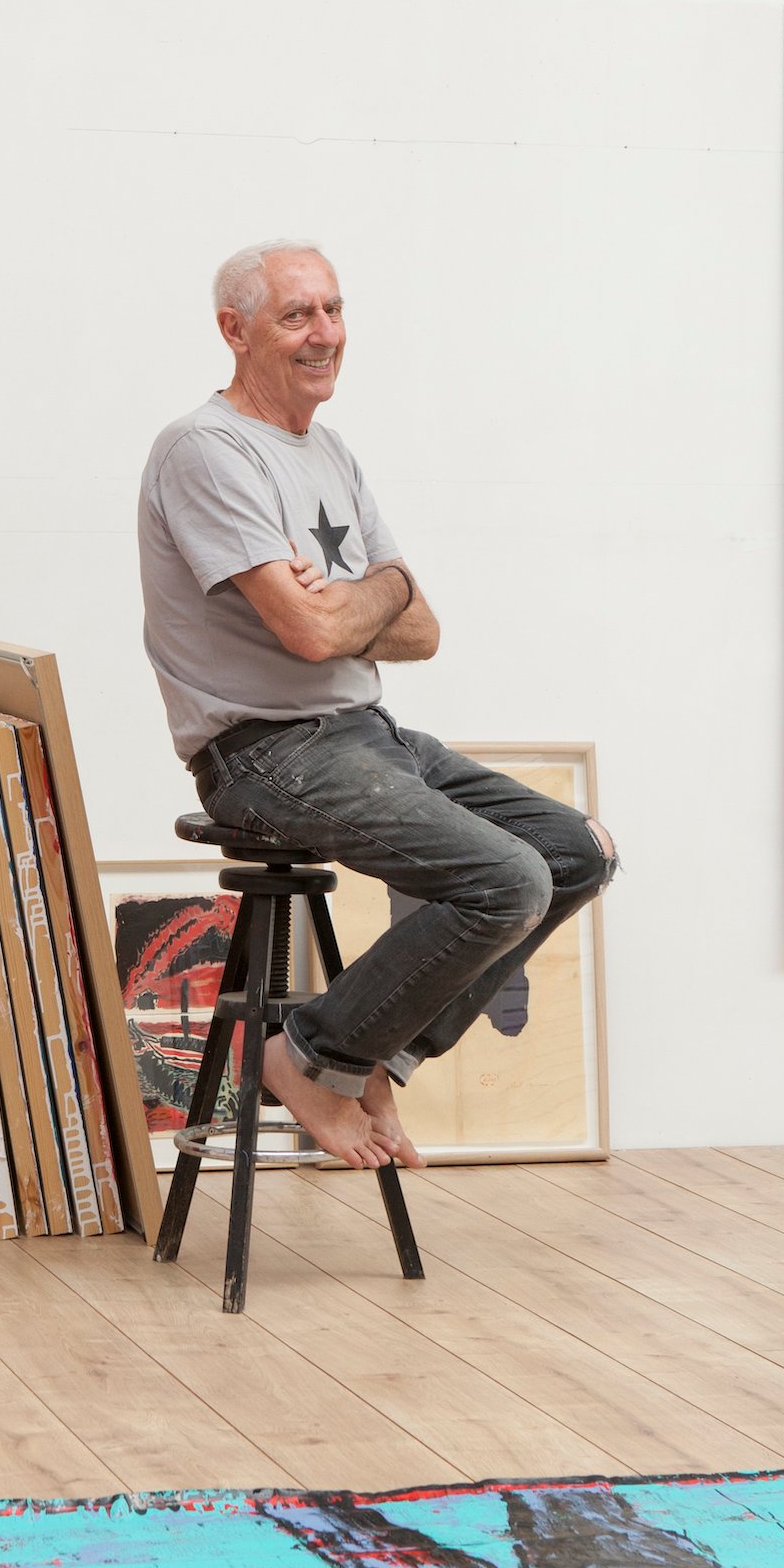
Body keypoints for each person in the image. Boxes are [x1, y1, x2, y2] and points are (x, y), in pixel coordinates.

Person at [138, 238, 615, 1171]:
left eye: (333, 310)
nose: (326, 335)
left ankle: (366, 1054)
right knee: (507, 881)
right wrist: (369, 595)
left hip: (366, 733)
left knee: (574, 853)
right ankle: (307, 1055)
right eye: (296, 315)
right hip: (265, 752)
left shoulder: (332, 454)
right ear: (234, 331)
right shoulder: (206, 451)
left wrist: (368, 593)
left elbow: (421, 627)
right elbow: (309, 636)